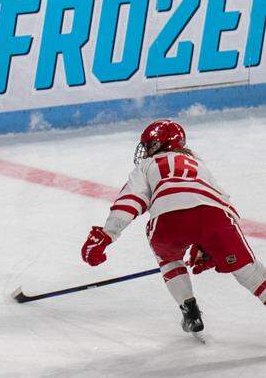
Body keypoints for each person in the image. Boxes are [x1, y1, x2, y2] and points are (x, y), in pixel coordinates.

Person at [81, 120, 266, 337]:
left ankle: (190, 311)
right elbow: (223, 203)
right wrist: (208, 245)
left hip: (167, 222)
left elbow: (129, 201)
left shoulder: (147, 165)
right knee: (250, 272)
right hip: (215, 218)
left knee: (168, 257)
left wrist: (106, 235)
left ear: (161, 144)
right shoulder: (197, 163)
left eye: (150, 145)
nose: (146, 151)